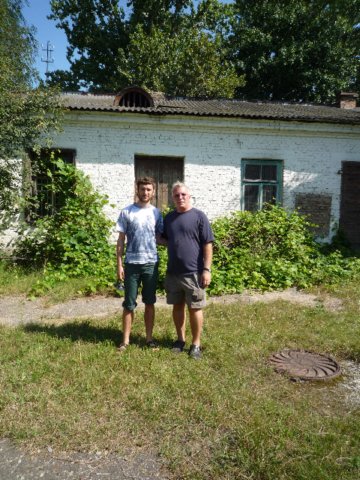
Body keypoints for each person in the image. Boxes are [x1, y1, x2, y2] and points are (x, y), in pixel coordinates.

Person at [162, 182, 214, 360]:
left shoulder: (199, 216)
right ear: (173, 198)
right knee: (177, 307)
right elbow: (165, 240)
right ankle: (180, 340)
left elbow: (208, 244)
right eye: (176, 195)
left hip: (194, 273)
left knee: (195, 308)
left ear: (189, 196)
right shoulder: (169, 218)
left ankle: (196, 344)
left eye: (183, 194)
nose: (180, 197)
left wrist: (206, 270)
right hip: (173, 273)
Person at [116, 176, 163, 352]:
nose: (145, 192)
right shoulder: (127, 212)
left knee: (150, 302)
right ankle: (125, 341)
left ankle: (149, 339)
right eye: (142, 189)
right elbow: (120, 240)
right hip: (131, 264)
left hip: (151, 264)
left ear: (153, 191)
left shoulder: (156, 213)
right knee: (129, 304)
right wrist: (119, 264)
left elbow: (159, 237)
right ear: (137, 190)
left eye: (149, 189)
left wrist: (179, 243)